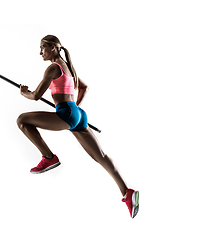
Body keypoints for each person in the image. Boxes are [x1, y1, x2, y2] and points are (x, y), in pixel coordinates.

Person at [17, 35, 139, 218]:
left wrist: (24, 92)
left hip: (66, 113)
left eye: (42, 47)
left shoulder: (52, 68)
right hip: (78, 114)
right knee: (102, 157)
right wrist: (75, 109)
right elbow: (84, 88)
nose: (40, 52)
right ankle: (127, 192)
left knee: (21, 120)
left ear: (53, 48)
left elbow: (35, 96)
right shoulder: (68, 68)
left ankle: (49, 157)